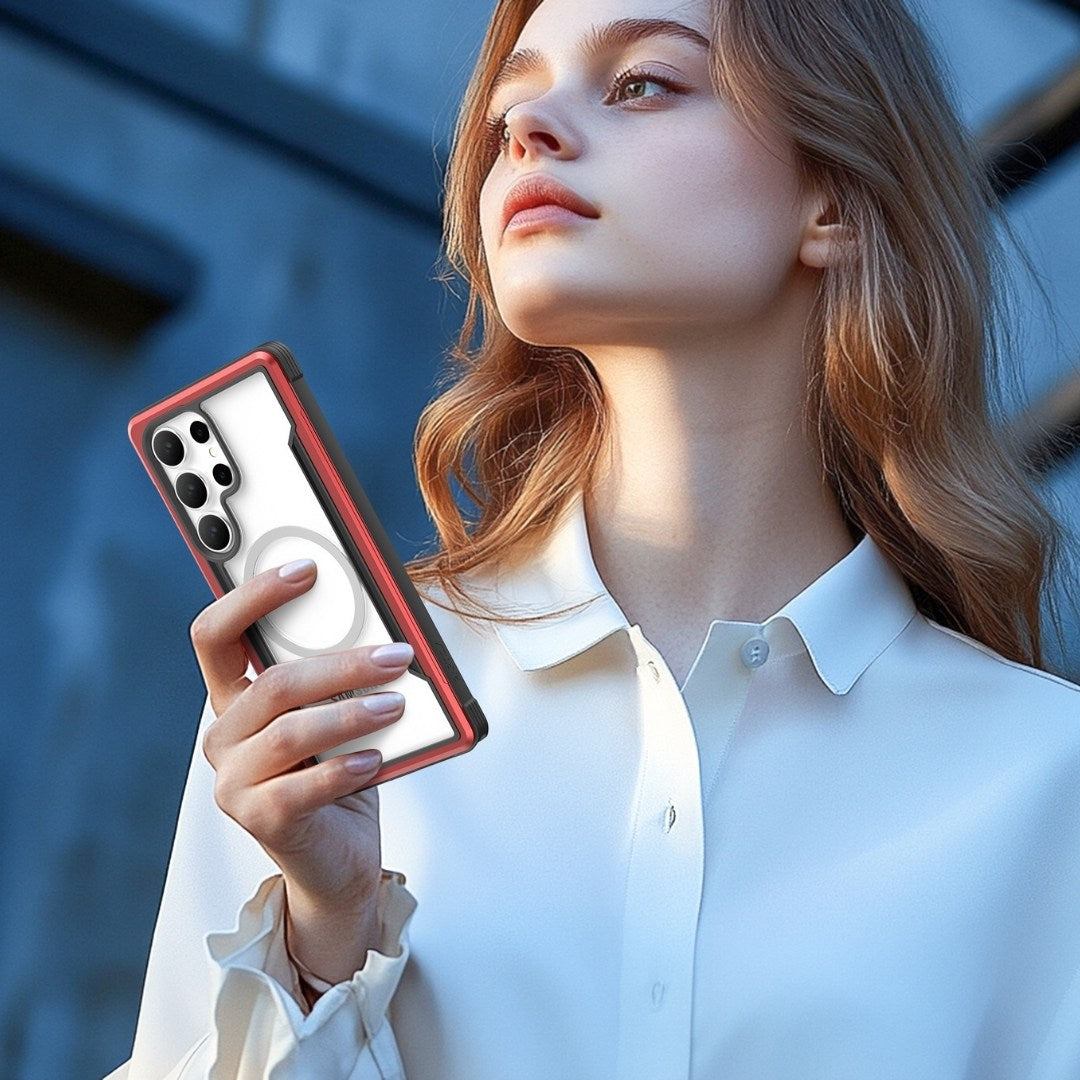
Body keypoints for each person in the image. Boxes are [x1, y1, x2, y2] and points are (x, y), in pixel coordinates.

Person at [113, 0, 1080, 1076]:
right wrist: (320, 941)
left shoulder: (1047, 778)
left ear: (833, 199)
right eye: (510, 107)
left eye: (641, 84)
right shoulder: (335, 712)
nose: (528, 130)